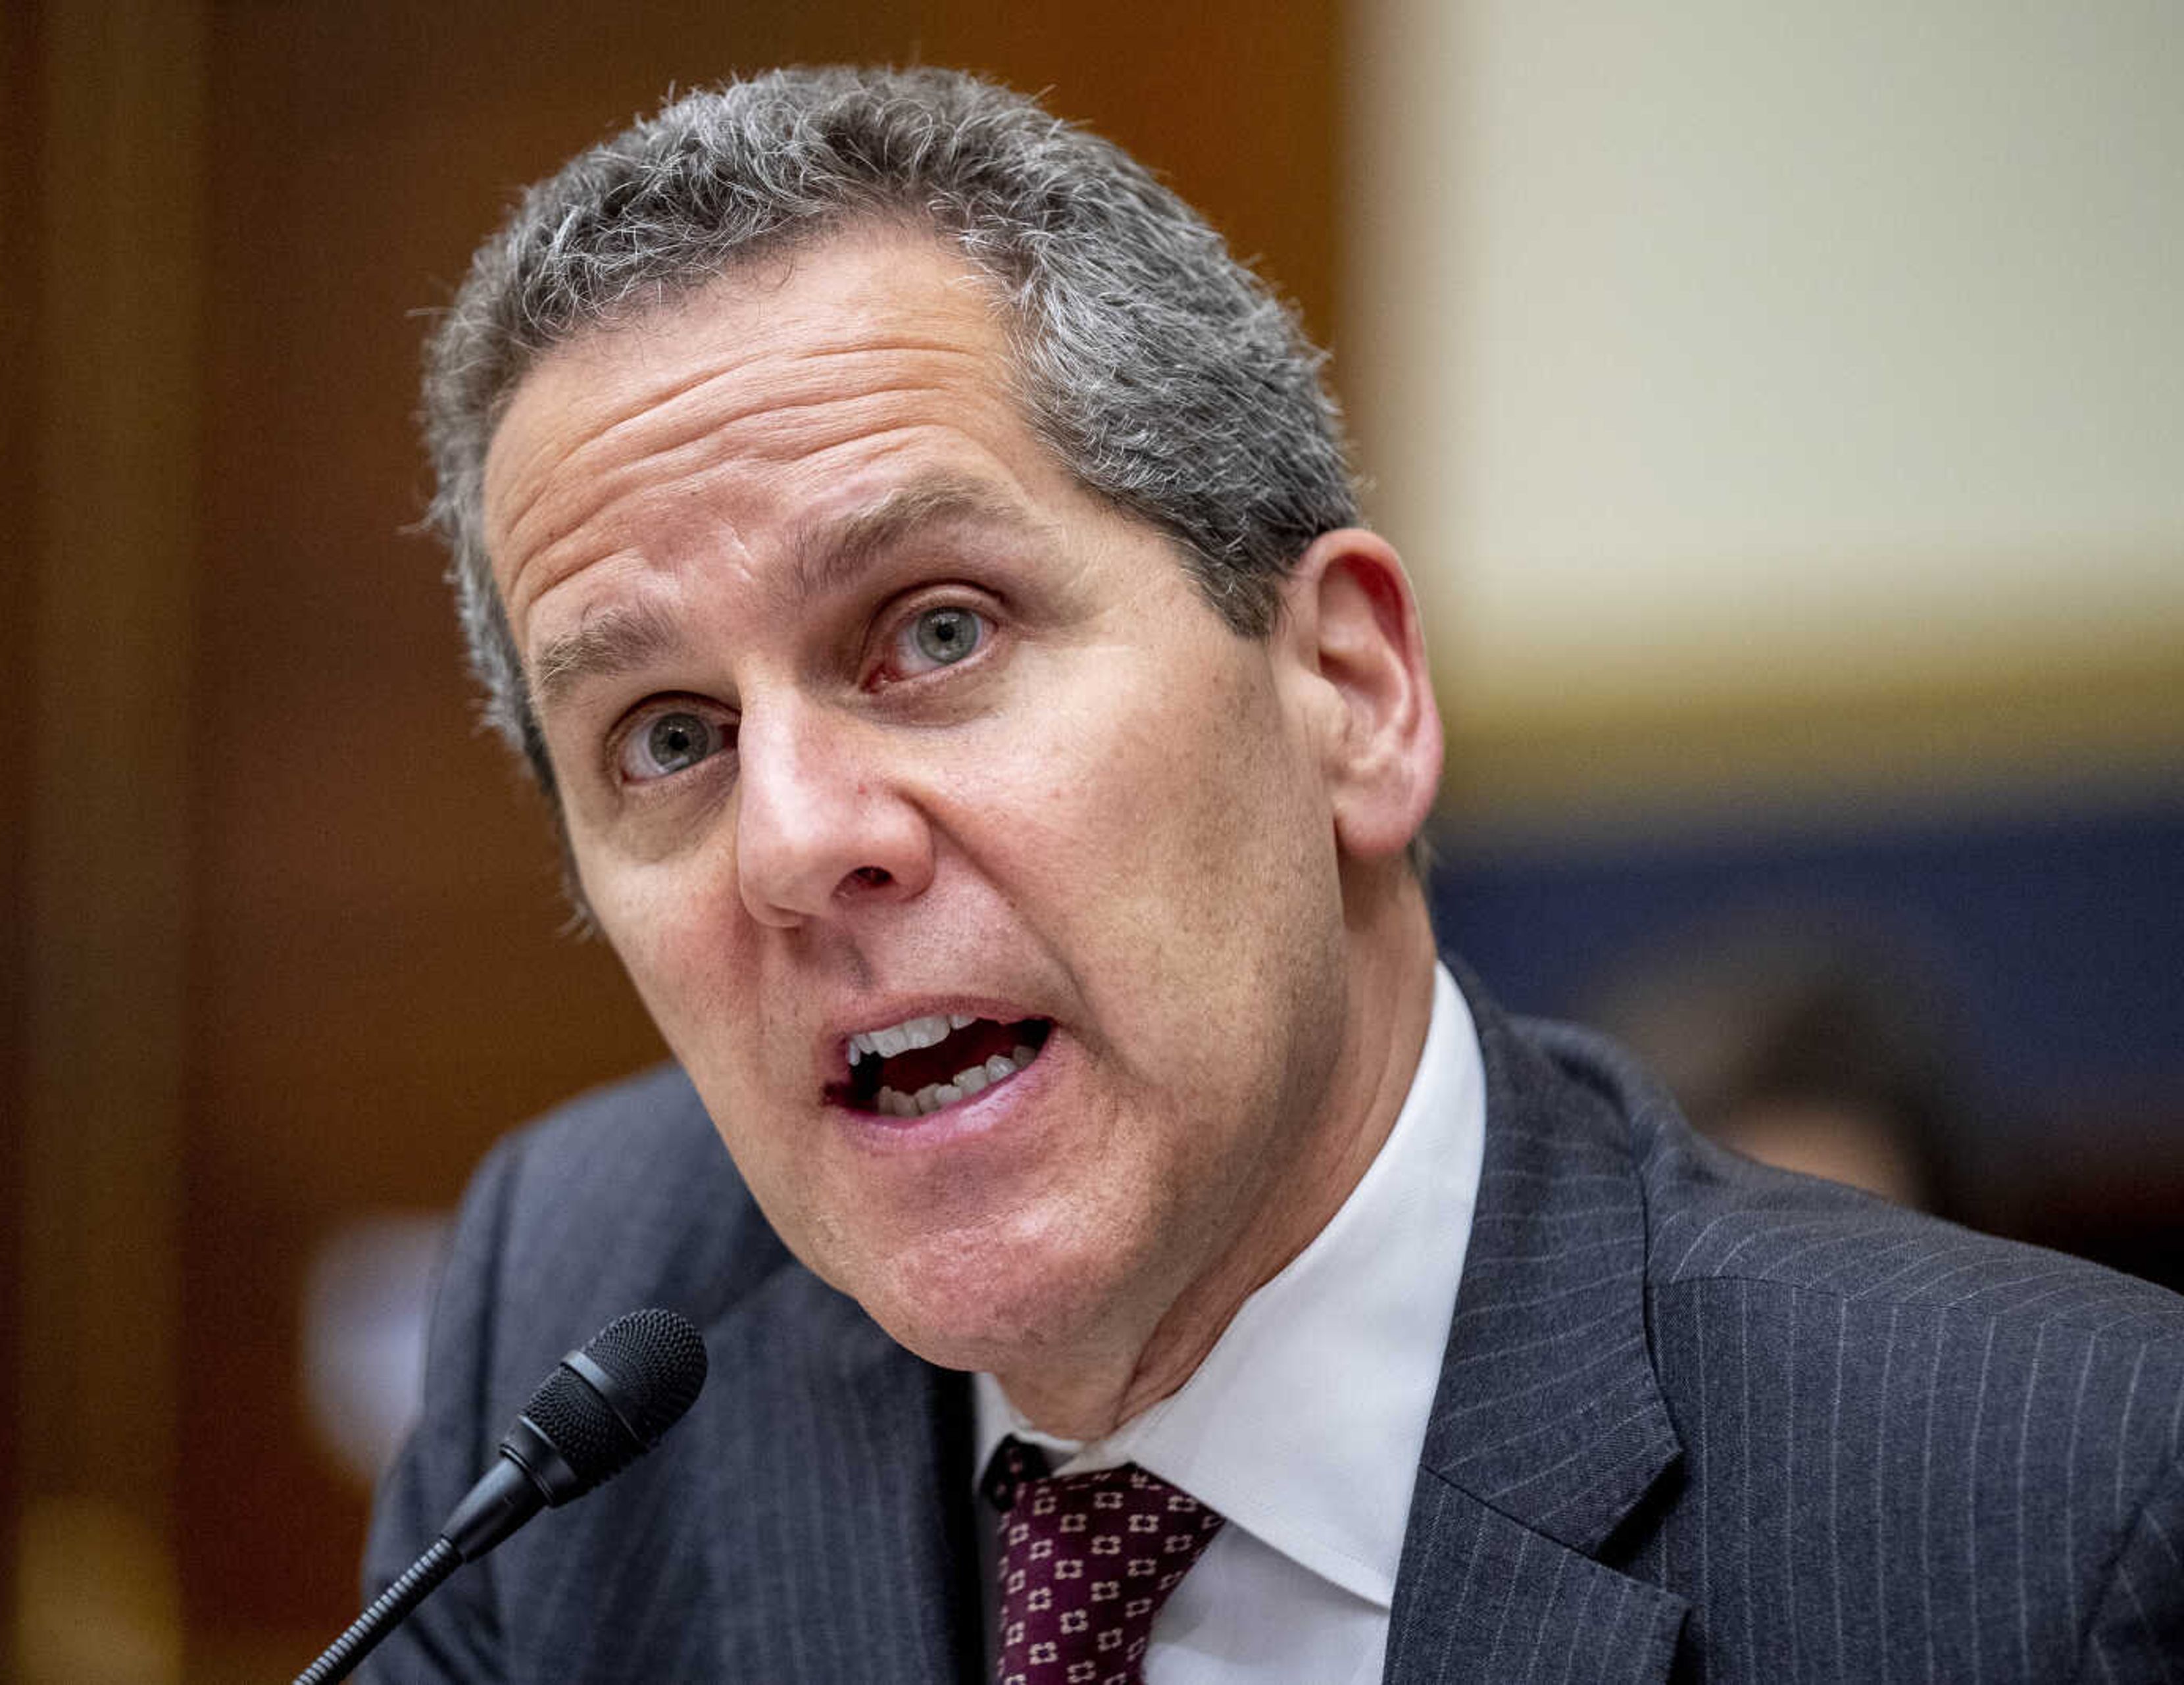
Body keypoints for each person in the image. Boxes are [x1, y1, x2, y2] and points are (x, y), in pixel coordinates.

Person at [363, 66, 2184, 1682]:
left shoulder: (2051, 1505)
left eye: (933, 628)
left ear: (1349, 692)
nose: (793, 838)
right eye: (669, 737)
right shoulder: (580, 1329)